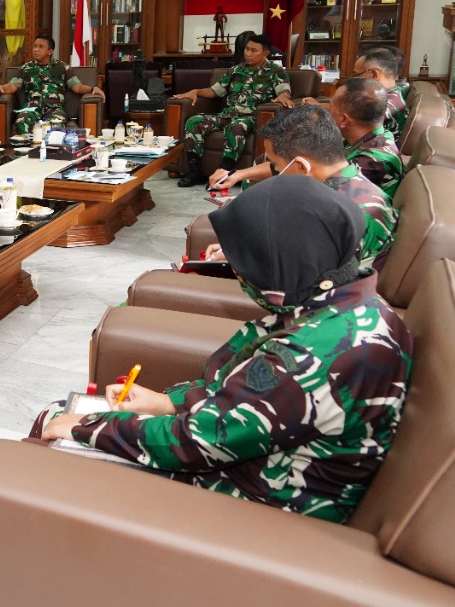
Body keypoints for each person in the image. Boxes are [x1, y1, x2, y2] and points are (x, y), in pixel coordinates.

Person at [34, 175, 411, 523]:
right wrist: (170, 403)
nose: (240, 273)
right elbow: (241, 398)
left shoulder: (310, 353)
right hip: (253, 463)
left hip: (259, 505)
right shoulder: (346, 304)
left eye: (247, 264)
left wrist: (89, 428)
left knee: (55, 423)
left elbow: (197, 442)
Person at [209, 105, 396, 270]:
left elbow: (293, 288)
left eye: (276, 165)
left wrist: (241, 261)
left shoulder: (330, 214)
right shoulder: (352, 183)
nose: (276, 173)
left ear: (301, 166)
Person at [173, 32, 294, 187]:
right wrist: (196, 91)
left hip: (250, 118)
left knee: (237, 127)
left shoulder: (275, 71)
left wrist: (284, 96)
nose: (248, 54)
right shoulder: (235, 70)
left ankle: (223, 172)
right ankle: (194, 172)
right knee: (194, 121)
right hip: (227, 115)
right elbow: (214, 91)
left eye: (253, 50)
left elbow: (284, 91)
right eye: (247, 49)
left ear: (265, 53)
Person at [0, 35, 103, 136]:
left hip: (54, 107)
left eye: (40, 47)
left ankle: (51, 152)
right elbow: (12, 86)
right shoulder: (26, 68)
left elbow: (77, 87)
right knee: (22, 121)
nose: (36, 50)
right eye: (35, 46)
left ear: (50, 51)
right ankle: (29, 150)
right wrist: (2, 87)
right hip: (32, 107)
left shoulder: (62, 67)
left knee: (56, 125)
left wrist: (92, 88)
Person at [333, 78, 405, 200]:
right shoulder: (381, 134)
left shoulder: (370, 162)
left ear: (344, 119)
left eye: (330, 109)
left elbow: (319, 193)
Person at [354, 47, 408, 135]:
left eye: (356, 74)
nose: (354, 79)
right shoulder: (392, 93)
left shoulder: (380, 108)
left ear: (374, 74)